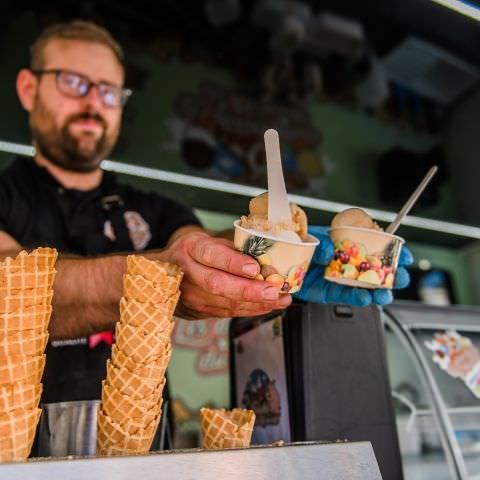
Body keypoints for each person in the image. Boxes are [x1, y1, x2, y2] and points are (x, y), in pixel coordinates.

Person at [0, 20, 412, 404]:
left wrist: (276, 254)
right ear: (28, 88)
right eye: (74, 82)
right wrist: (161, 275)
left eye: (109, 91)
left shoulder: (156, 209)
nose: (94, 102)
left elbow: (194, 248)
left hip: (146, 450)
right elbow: (7, 290)